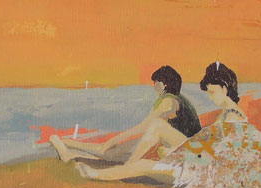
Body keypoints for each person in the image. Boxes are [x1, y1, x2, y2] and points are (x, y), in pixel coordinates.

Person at [57, 61, 246, 184]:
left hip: (198, 171)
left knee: (143, 164)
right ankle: (103, 170)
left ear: (224, 87)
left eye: (212, 92)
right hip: (194, 161)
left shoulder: (233, 117)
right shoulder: (229, 113)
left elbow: (220, 157)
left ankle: (97, 174)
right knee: (145, 157)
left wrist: (175, 152)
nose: (211, 98)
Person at [49, 65, 201, 180]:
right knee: (115, 151)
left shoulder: (168, 100)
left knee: (120, 148)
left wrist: (116, 139)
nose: (153, 85)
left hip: (188, 150)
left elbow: (145, 127)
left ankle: (126, 166)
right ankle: (70, 148)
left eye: (156, 81)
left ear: (165, 84)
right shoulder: (175, 100)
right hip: (180, 147)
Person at [199, 60, 248, 124]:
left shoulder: (232, 116)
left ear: (224, 89)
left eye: (212, 92)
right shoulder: (227, 112)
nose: (211, 98)